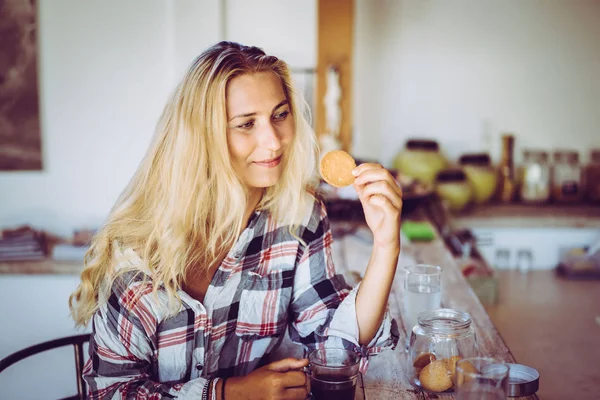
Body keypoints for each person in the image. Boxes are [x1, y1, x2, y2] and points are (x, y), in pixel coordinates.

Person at [69, 41, 402, 400]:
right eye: (246, 124)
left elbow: (334, 347)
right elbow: (111, 393)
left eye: (280, 115)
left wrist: (386, 246)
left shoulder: (299, 216)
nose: (273, 141)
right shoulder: (136, 248)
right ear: (202, 137)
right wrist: (228, 393)